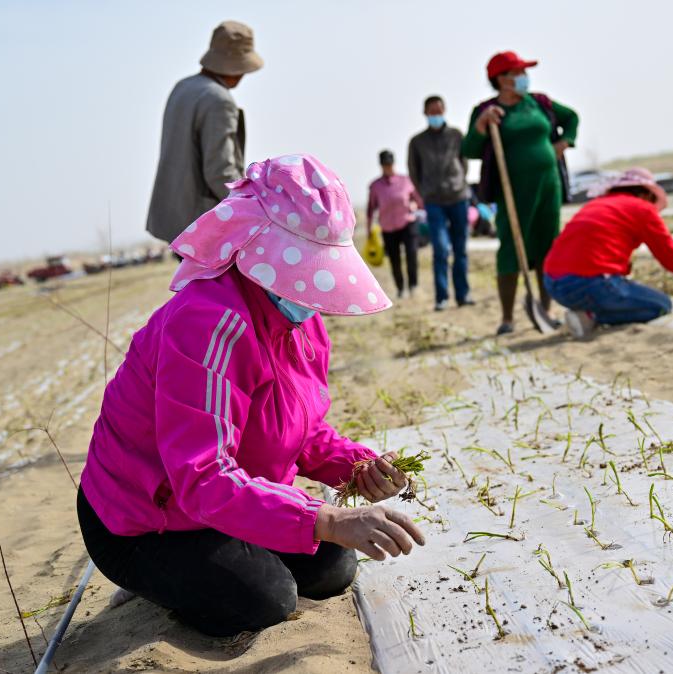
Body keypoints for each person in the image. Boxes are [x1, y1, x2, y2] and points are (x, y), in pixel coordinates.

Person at [80, 154, 426, 637]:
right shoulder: (208, 325)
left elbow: (300, 431)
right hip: (146, 518)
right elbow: (202, 476)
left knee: (333, 569)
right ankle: (149, 581)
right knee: (266, 597)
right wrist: (327, 518)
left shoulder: (301, 321)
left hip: (230, 495)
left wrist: (360, 468)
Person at [462, 51, 579, 335]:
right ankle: (507, 318)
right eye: (518, 72)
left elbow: (571, 118)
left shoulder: (538, 102)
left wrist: (564, 142)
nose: (524, 77)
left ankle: (547, 309)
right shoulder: (487, 110)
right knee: (512, 247)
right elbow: (469, 149)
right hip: (512, 190)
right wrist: (482, 125)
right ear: (501, 79)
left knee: (547, 244)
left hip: (548, 184)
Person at [543, 168, 673, 339]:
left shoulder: (597, 204)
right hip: (588, 284)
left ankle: (587, 311)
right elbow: (671, 257)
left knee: (623, 290)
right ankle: (591, 316)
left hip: (553, 284)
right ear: (646, 194)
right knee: (661, 305)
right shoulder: (642, 209)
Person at [146, 21, 263, 244]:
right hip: (202, 224)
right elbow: (220, 172)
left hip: (173, 217)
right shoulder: (219, 100)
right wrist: (253, 209)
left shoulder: (183, 87)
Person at [408, 96, 474, 310]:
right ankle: (442, 297)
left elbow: (464, 163)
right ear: (425, 113)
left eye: (439, 111)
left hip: (458, 198)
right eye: (432, 112)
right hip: (433, 202)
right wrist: (425, 193)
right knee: (440, 249)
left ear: (444, 110)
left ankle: (463, 295)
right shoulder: (417, 142)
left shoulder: (456, 135)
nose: (436, 115)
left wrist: (458, 184)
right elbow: (414, 171)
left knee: (460, 249)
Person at [366, 150, 423, 298]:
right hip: (388, 227)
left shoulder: (406, 180)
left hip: (408, 223)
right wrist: (369, 231)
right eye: (385, 165)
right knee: (394, 259)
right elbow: (370, 209)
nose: (388, 168)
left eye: (390, 164)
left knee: (412, 254)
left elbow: (418, 201)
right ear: (381, 166)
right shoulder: (375, 186)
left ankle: (413, 285)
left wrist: (416, 206)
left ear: (394, 164)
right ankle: (400, 288)